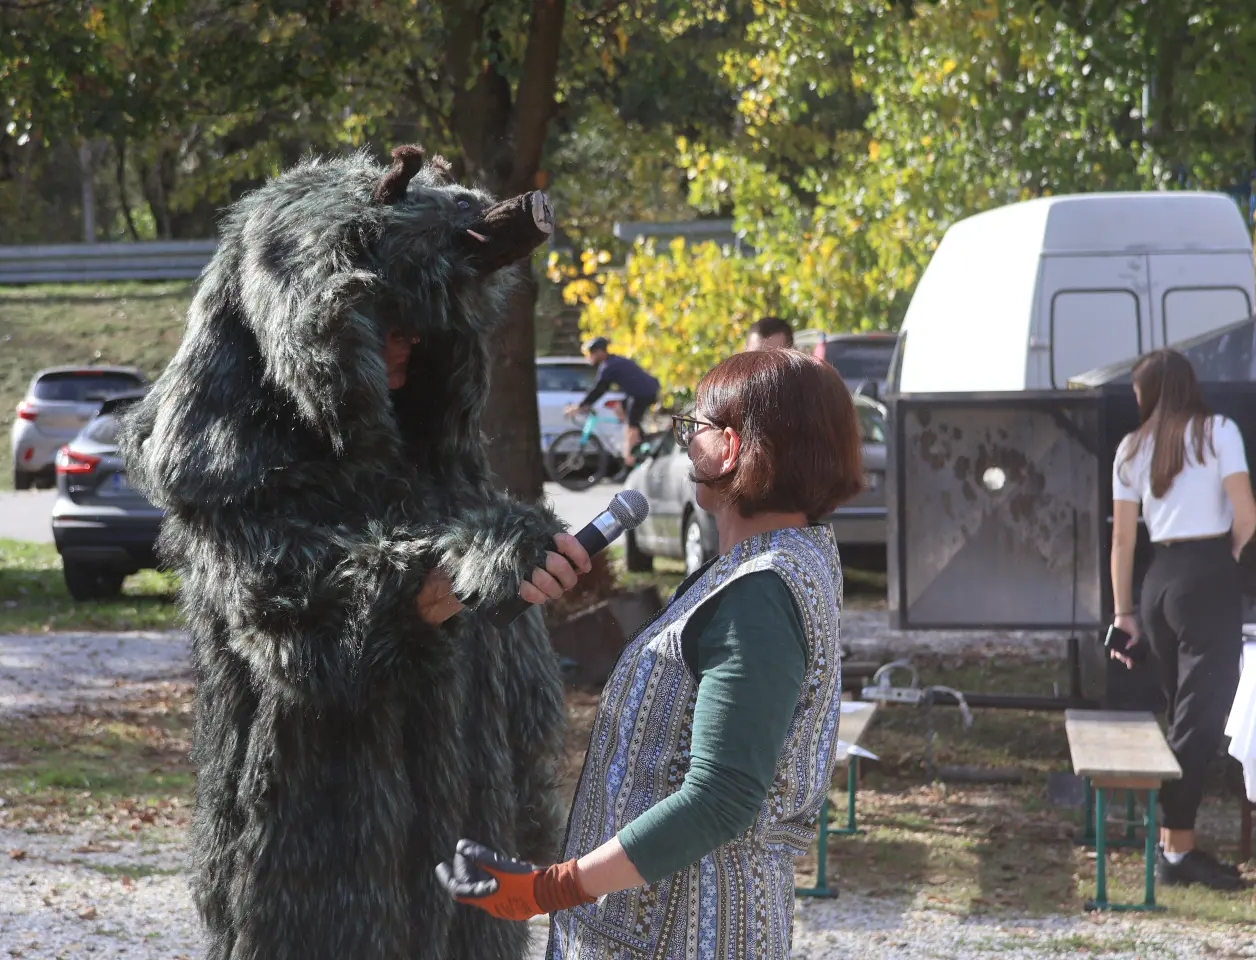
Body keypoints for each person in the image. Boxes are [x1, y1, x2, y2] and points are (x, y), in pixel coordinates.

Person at [120, 145, 583, 960]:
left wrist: (518, 569)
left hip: (461, 877)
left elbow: (510, 668)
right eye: (384, 321)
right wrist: (443, 577)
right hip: (319, 873)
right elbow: (297, 623)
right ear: (319, 326)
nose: (407, 342)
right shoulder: (234, 473)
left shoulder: (432, 452)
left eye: (423, 323)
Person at [439, 348, 864, 959]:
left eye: (696, 426)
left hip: (688, 931)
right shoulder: (773, 564)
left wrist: (546, 890)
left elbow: (719, 800)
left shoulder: (761, 590)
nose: (685, 442)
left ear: (735, 446)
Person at [1110, 348, 1255, 891]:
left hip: (1157, 581)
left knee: (1183, 710)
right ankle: (1174, 851)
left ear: (1149, 392)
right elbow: (1247, 514)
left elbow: (1123, 539)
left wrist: (1124, 611)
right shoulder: (1219, 431)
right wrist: (1229, 558)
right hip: (1205, 573)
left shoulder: (1132, 447)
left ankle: (1176, 843)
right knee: (1200, 715)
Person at [567, 336, 661, 478]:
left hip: (642, 394)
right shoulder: (613, 361)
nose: (590, 357)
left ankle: (629, 466)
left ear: (600, 352)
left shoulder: (609, 366)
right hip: (640, 391)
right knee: (620, 409)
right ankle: (640, 439)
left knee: (631, 428)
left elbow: (598, 389)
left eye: (592, 353)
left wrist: (580, 407)